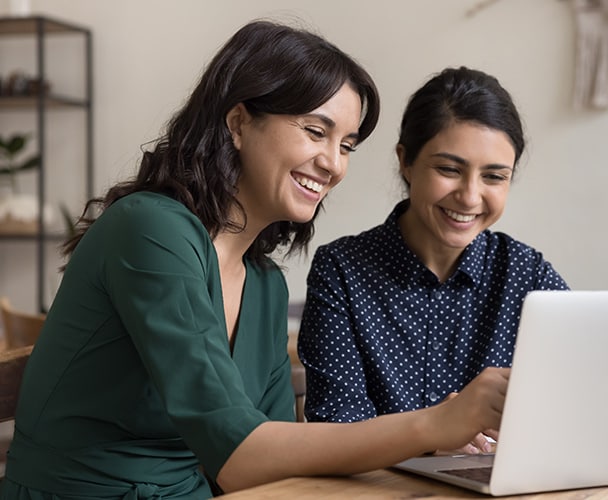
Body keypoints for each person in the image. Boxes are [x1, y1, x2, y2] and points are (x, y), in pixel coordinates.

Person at [0, 23, 509, 498]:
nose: (333, 164)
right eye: (315, 131)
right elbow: (239, 453)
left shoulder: (264, 284)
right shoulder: (150, 230)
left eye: (347, 145)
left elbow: (273, 455)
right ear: (239, 122)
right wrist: (433, 423)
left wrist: (431, 441)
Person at [298, 66, 568, 453]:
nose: (470, 197)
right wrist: (435, 433)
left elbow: (579, 400)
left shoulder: (527, 275)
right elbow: (335, 426)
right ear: (406, 162)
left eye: (494, 177)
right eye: (449, 169)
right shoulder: (342, 270)